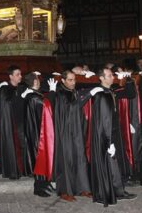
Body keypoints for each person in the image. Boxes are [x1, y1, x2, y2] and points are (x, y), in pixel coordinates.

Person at [89, 68, 137, 207]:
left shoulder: (112, 91)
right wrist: (109, 141)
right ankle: (116, 192)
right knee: (111, 163)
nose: (113, 77)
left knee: (117, 163)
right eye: (109, 75)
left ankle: (118, 190)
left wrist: (128, 79)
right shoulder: (100, 93)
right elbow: (104, 119)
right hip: (106, 134)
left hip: (115, 132)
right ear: (102, 78)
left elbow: (130, 94)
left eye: (112, 75)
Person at [49, 70, 92, 201]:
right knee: (66, 160)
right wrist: (86, 97)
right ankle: (65, 190)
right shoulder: (60, 94)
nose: (73, 83)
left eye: (74, 80)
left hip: (76, 130)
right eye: (70, 80)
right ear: (63, 80)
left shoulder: (73, 91)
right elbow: (70, 109)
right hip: (65, 132)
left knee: (80, 157)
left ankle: (83, 188)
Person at [21, 72, 53, 197]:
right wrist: (52, 93)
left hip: (36, 131)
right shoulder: (33, 98)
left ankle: (45, 183)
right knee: (38, 159)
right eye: (38, 80)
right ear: (35, 82)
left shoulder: (32, 95)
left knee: (41, 158)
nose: (39, 82)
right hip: (36, 134)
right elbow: (46, 105)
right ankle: (39, 188)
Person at [0, 65, 25, 179]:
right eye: (17, 74)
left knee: (24, 147)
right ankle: (13, 171)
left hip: (21, 123)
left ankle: (24, 169)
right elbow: (4, 108)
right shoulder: (5, 90)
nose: (20, 76)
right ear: (11, 76)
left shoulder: (22, 88)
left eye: (20, 74)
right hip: (11, 125)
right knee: (13, 148)